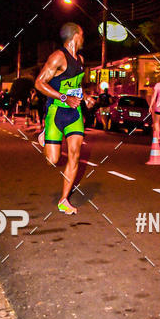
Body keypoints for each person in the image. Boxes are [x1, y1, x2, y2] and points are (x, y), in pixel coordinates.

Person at [35, 22, 94, 214]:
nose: (83, 38)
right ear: (75, 35)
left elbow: (76, 85)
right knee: (52, 160)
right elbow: (39, 83)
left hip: (74, 113)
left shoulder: (80, 59)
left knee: (75, 154)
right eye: (82, 34)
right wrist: (64, 98)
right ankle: (45, 134)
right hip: (56, 111)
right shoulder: (58, 57)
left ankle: (64, 200)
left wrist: (85, 97)